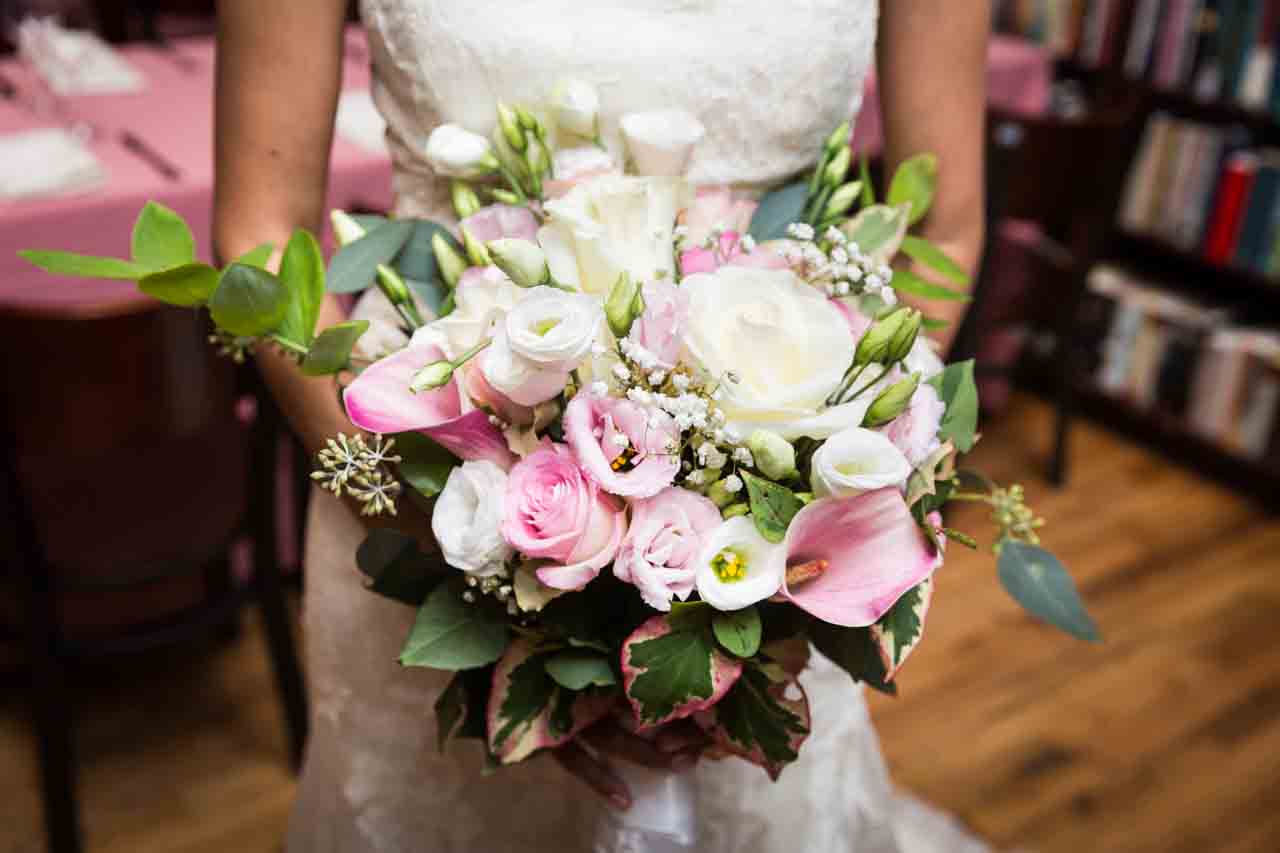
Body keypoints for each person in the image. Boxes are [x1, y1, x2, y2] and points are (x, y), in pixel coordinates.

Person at [214, 2, 989, 850]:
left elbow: (941, 227)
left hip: (778, 541)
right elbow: (260, 231)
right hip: (428, 491)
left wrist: (827, 499)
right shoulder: (440, 524)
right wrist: (480, 562)